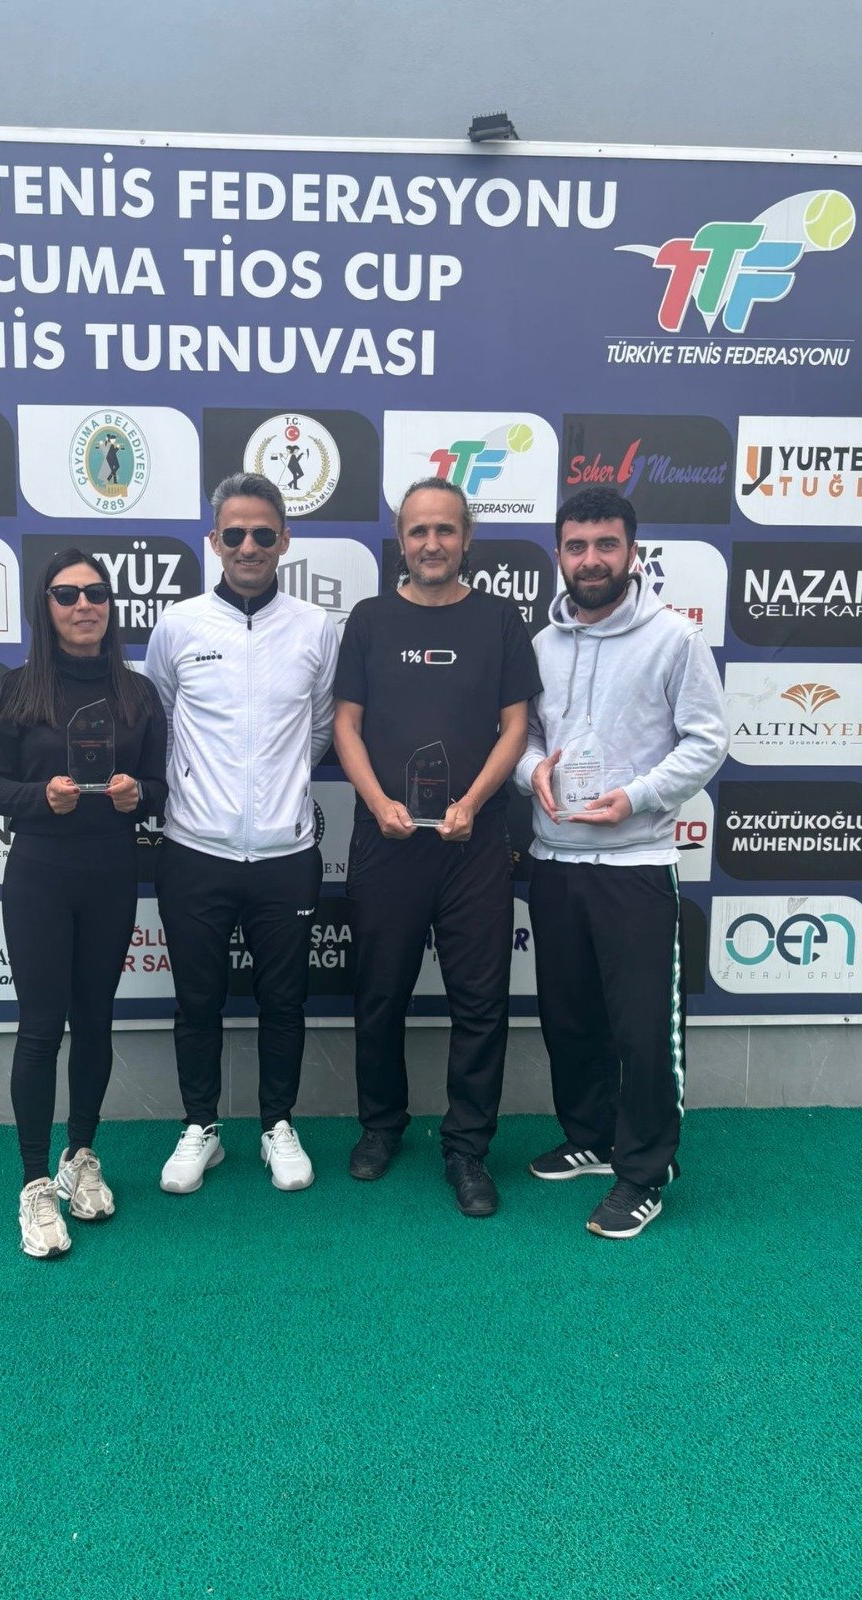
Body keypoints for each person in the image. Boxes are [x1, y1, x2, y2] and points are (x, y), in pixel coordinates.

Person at [515, 487, 729, 1239]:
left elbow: (707, 741)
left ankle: (644, 1172)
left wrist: (635, 797)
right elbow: (526, 737)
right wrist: (532, 774)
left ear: (633, 553)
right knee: (569, 1018)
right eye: (577, 546)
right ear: (559, 554)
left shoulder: (675, 638)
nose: (591, 560)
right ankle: (593, 1138)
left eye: (606, 545)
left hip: (635, 862)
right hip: (554, 859)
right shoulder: (542, 645)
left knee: (642, 1032)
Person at [332, 477, 541, 1217]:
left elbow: (515, 726)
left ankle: (467, 1149)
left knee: (480, 1002)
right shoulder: (369, 619)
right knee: (379, 994)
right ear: (401, 538)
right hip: (386, 838)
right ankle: (381, 1127)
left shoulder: (500, 620)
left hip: (473, 844)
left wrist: (472, 803)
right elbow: (346, 725)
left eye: (444, 530)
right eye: (418, 530)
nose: (431, 543)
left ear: (466, 537)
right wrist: (376, 802)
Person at [143, 472, 339, 1194]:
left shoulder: (316, 628)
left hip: (287, 854)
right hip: (195, 850)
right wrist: (202, 793)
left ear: (284, 540)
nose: (248, 546)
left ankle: (277, 1125)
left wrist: (276, 795)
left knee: (284, 1001)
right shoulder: (179, 624)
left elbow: (321, 726)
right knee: (197, 1000)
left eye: (262, 533)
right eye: (235, 534)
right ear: (215, 542)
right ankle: (201, 1126)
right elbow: (162, 722)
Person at [0, 549, 168, 1259]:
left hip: (111, 869)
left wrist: (137, 795)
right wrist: (41, 797)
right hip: (40, 871)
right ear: (46, 605)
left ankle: (79, 1155)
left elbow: (160, 784)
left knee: (95, 1021)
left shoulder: (137, 694)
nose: (83, 604)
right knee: (40, 1028)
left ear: (110, 605)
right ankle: (34, 1182)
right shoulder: (16, 690)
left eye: (95, 592)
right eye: (67, 594)